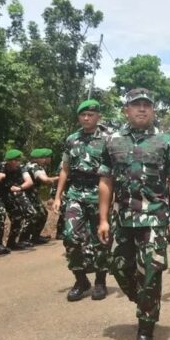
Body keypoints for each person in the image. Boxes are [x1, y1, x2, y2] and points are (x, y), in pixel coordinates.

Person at [97, 88, 170, 340]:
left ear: (153, 110)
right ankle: (147, 302)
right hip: (122, 219)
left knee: (150, 273)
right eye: (136, 105)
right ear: (127, 110)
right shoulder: (112, 142)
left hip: (155, 219)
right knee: (119, 268)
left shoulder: (165, 141)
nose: (142, 109)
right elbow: (105, 181)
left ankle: (145, 330)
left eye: (147, 105)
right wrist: (103, 219)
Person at [53, 99, 111, 302]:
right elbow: (65, 169)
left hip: (99, 193)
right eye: (83, 115)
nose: (86, 118)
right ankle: (80, 279)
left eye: (91, 115)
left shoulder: (108, 139)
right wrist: (58, 196)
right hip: (76, 192)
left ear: (98, 117)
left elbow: (115, 170)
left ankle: (100, 281)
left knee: (100, 239)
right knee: (70, 237)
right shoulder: (72, 139)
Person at [2, 149, 36, 251]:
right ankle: (8, 243)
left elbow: (29, 182)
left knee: (31, 213)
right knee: (16, 217)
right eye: (15, 160)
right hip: (2, 195)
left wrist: (20, 188)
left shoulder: (21, 168)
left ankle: (22, 239)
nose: (17, 162)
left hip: (17, 192)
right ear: (9, 161)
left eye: (18, 160)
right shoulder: (0, 167)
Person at [23, 148, 58, 245]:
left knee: (42, 213)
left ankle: (34, 237)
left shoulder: (37, 166)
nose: (48, 160)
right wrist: (59, 178)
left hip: (32, 193)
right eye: (46, 157)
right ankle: (25, 238)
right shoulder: (35, 167)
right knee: (34, 214)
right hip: (26, 194)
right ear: (39, 159)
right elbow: (44, 180)